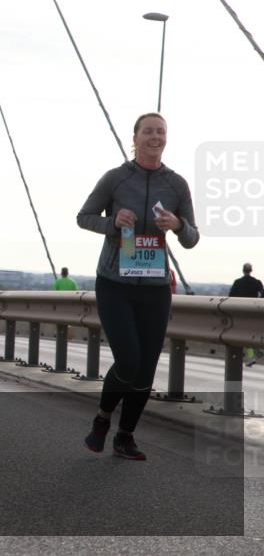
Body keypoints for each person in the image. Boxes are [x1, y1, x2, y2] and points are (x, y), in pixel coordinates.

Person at [78, 112, 199, 460]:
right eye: (148, 131)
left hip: (155, 287)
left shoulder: (176, 185)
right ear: (136, 137)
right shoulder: (116, 179)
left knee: (146, 367)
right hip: (115, 283)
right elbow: (84, 217)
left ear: (166, 138)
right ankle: (102, 419)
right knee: (128, 359)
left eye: (160, 131)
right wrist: (113, 223)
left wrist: (177, 224)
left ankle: (125, 436)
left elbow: (192, 238)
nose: (154, 136)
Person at [229, 263, 263, 366]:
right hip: (253, 312)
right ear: (251, 270)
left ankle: (252, 356)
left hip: (241, 313)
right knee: (250, 334)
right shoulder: (257, 282)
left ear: (243, 270)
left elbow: (231, 296)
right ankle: (257, 353)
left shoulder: (238, 282)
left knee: (244, 336)